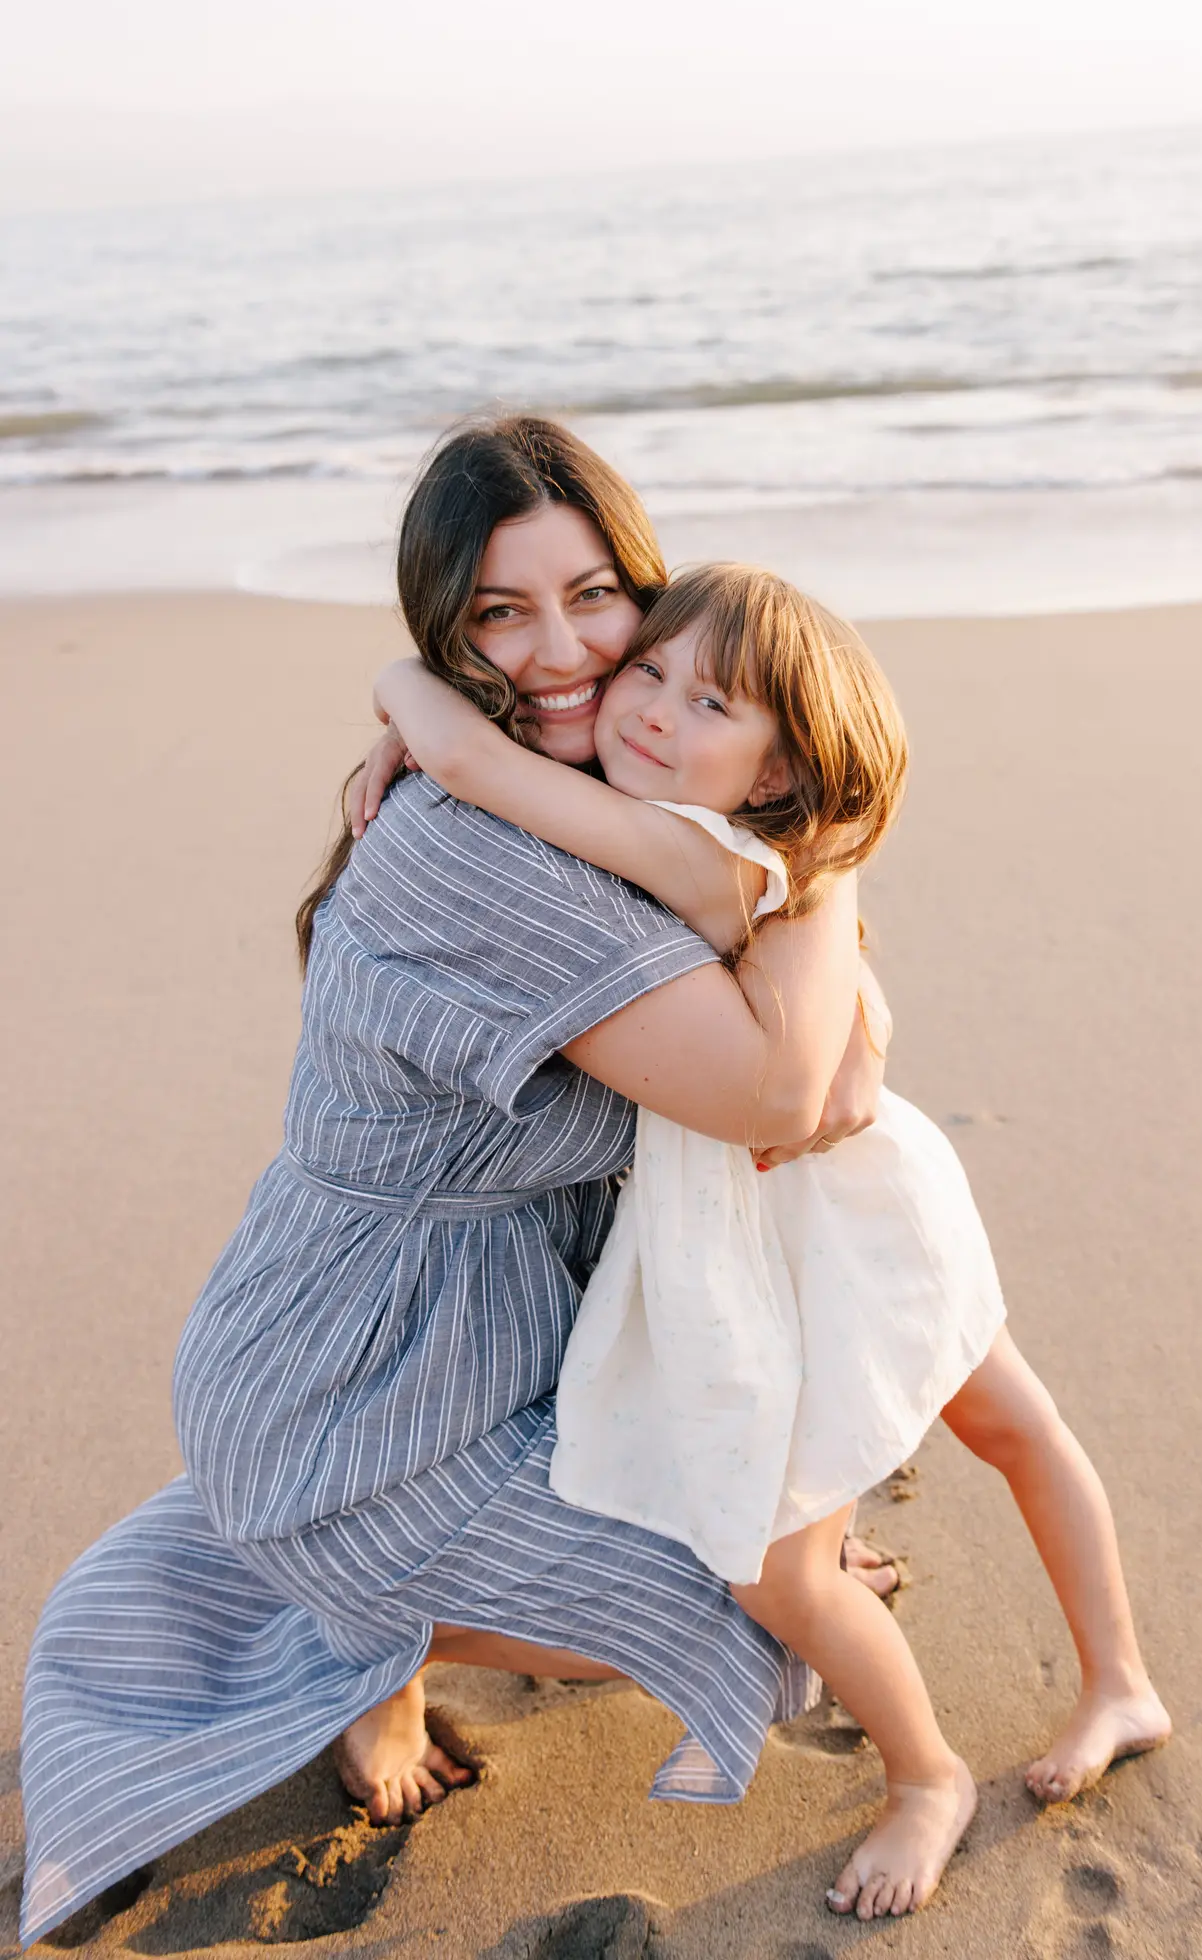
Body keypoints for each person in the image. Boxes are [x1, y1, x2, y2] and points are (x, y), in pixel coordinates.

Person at [18, 421, 893, 1948]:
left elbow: (838, 1052)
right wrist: (826, 841)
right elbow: (787, 1090)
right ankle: (375, 1630)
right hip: (345, 1379)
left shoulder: (594, 797)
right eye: (495, 616)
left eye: (594, 597)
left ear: (656, 598)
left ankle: (380, 1627)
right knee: (734, 1610)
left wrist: (420, 706)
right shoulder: (473, 848)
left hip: (470, 1325)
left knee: (785, 1540)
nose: (558, 655)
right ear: (449, 631)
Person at [362, 560, 1172, 1921]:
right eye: (653, 675)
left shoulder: (706, 852)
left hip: (823, 1230)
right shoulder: (717, 842)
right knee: (1002, 1432)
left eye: (713, 702)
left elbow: (467, 758)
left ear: (780, 771)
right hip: (790, 1218)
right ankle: (1118, 1683)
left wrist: (399, 689)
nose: (659, 715)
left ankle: (930, 1774)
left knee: (792, 1555)